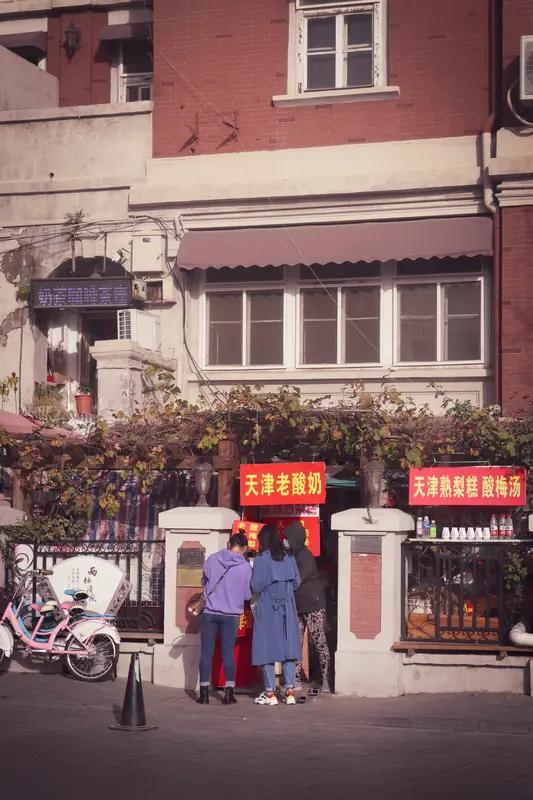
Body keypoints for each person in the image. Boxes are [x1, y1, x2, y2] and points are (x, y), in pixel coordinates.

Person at [197, 531, 252, 705]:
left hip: (209, 612)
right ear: (244, 548)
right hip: (231, 615)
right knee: (228, 652)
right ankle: (229, 693)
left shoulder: (212, 559)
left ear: (229, 544)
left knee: (206, 652)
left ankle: (203, 694)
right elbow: (247, 595)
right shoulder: (246, 567)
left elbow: (203, 581)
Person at [251, 524, 301, 706]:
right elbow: (297, 582)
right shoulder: (289, 557)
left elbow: (255, 586)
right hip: (287, 608)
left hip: (267, 608)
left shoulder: (261, 559)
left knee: (266, 650)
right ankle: (290, 692)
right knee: (289, 650)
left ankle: (270, 693)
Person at [283, 520, 331, 692]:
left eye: (288, 538)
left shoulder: (305, 556)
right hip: (297, 606)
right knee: (295, 643)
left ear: (295, 539)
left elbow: (296, 580)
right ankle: (295, 679)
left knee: (319, 642)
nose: (285, 541)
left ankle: (325, 680)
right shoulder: (290, 556)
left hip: (313, 605)